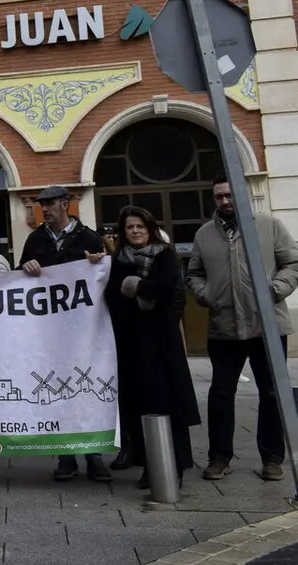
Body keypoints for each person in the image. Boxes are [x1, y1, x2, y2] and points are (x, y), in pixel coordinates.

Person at [187, 176, 298, 482]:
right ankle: (219, 458)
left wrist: (275, 289)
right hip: (223, 327)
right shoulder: (204, 233)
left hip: (268, 325)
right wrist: (204, 294)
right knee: (221, 393)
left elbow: (293, 263)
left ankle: (272, 459)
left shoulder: (269, 225)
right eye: (219, 197)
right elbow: (194, 272)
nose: (224, 201)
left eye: (229, 195)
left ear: (243, 195)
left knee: (272, 393)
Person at [18, 185, 111, 483]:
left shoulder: (89, 238)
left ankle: (94, 456)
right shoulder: (35, 239)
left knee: (86, 387)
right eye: (41, 204)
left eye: (50, 204)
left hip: (84, 330)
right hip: (49, 332)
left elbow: (104, 277)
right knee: (57, 389)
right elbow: (19, 277)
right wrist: (25, 266)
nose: (44, 209)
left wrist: (97, 262)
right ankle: (65, 457)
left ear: (65, 204)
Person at [105, 206, 200, 488]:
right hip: (132, 343)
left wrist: (138, 286)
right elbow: (113, 293)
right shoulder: (118, 260)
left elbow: (167, 286)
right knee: (140, 404)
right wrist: (138, 291)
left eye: (140, 227)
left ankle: (177, 465)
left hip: (162, 341)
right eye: (129, 227)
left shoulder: (165, 255)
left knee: (168, 402)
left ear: (150, 229)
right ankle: (149, 465)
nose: (134, 231)